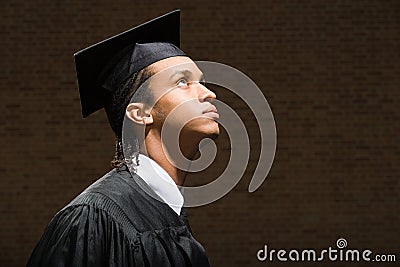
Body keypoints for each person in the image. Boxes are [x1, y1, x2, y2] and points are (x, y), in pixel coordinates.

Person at [27, 10, 218, 267]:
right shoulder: (92, 221)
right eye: (182, 81)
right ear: (141, 113)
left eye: (202, 81)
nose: (207, 93)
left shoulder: (173, 222)